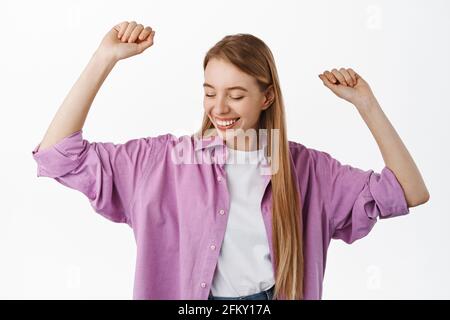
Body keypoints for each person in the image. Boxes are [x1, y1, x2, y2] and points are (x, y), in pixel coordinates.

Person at [31, 21, 430, 300]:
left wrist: (366, 103)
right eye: (209, 92)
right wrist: (104, 58)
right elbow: (57, 156)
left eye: (236, 95)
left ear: (266, 98)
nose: (219, 107)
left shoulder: (307, 171)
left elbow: (409, 192)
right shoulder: (164, 161)